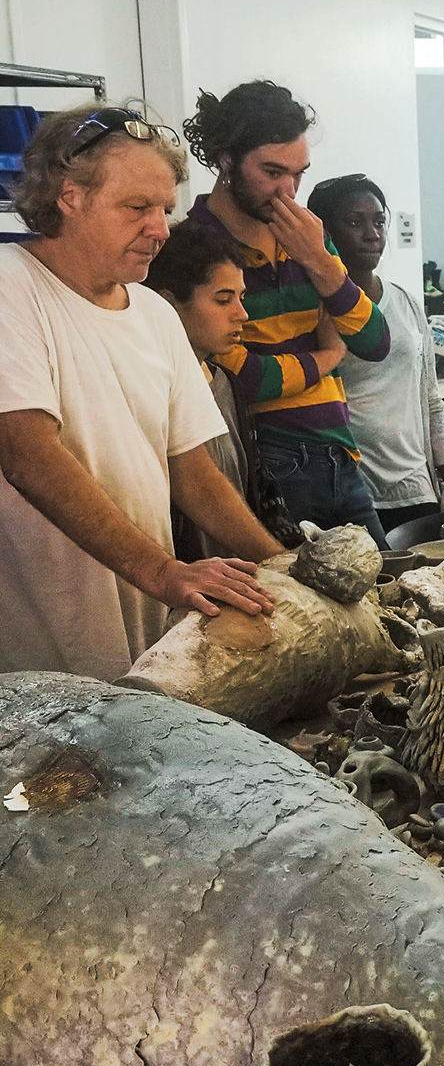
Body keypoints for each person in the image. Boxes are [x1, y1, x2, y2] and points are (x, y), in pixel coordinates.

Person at [0, 104, 281, 681]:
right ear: (69, 196)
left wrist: (283, 564)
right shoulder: (12, 284)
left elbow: (194, 473)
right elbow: (26, 454)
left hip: (143, 630)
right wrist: (163, 572)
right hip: (39, 650)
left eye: (165, 209)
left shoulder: (154, 312)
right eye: (137, 208)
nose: (160, 229)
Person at [181, 80, 391, 546]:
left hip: (341, 452)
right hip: (269, 459)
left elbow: (376, 342)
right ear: (226, 160)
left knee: (390, 585)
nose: (288, 192)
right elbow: (242, 379)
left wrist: (318, 260)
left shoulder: (308, 236)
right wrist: (329, 355)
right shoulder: (194, 246)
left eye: (298, 174)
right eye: (272, 172)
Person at [307, 173, 444, 534]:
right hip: (349, 489)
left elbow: (430, 400)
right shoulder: (313, 310)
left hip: (415, 487)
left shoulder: (406, 303)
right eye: (354, 222)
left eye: (379, 222)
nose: (372, 234)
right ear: (324, 233)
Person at [143, 219, 301, 559]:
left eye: (241, 298)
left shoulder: (226, 383)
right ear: (167, 305)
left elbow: (260, 491)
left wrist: (289, 557)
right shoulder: (148, 389)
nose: (241, 314)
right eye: (223, 300)